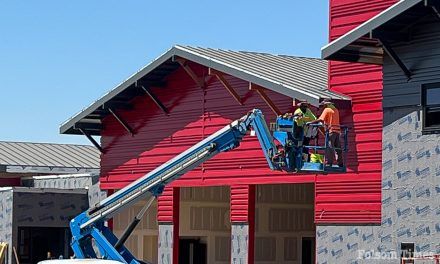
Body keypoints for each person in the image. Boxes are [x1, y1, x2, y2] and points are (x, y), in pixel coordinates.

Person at [308, 99, 343, 167]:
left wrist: (311, 122)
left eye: (323, 105)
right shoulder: (336, 110)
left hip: (331, 131)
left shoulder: (327, 109)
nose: (323, 106)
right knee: (338, 148)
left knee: (329, 147)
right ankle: (340, 163)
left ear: (326, 104)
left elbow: (321, 119)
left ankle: (328, 162)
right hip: (337, 131)